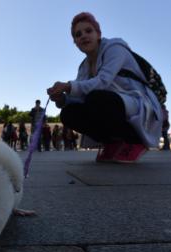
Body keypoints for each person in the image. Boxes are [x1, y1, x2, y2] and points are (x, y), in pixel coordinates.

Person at [47, 12, 162, 163]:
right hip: (111, 103)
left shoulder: (115, 48)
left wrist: (68, 86)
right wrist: (61, 98)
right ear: (75, 42)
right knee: (68, 113)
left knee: (96, 98)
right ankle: (112, 142)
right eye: (78, 34)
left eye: (88, 31)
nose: (83, 36)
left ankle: (135, 141)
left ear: (98, 33)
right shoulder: (84, 66)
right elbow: (78, 95)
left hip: (136, 102)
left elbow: (102, 82)